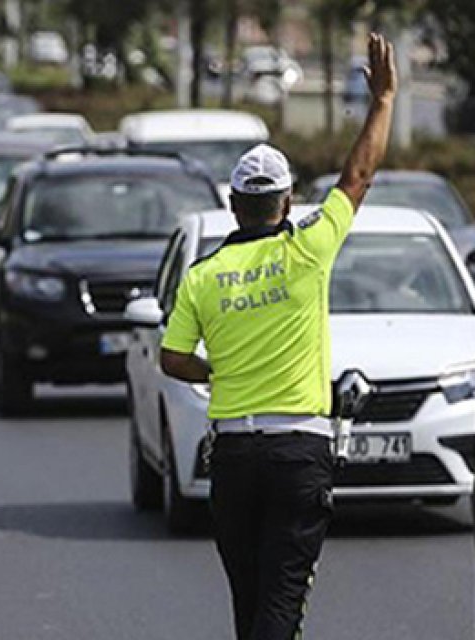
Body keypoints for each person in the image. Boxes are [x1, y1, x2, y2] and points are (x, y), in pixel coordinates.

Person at [159, 33, 397, 640]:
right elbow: (359, 176)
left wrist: (218, 372)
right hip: (298, 455)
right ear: (288, 202)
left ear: (235, 205)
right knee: (280, 604)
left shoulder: (204, 276)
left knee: (251, 602)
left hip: (235, 458)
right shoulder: (309, 250)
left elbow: (171, 357)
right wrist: (383, 101)